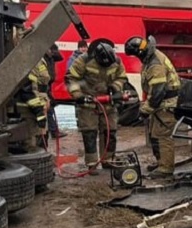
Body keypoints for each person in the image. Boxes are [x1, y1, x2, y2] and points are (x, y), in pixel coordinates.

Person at [65, 39, 127, 169]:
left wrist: (115, 87)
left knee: (110, 132)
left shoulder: (116, 61)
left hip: (108, 104)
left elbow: (121, 77)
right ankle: (92, 163)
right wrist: (78, 95)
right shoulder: (84, 60)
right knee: (90, 133)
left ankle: (108, 160)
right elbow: (71, 78)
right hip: (88, 103)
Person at [125, 35, 181, 178]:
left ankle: (166, 168)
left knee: (162, 136)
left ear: (140, 53)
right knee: (155, 134)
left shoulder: (155, 64)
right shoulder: (151, 57)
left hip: (166, 105)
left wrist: (145, 111)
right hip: (161, 104)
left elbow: (157, 92)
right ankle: (161, 162)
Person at [16, 55, 51, 151]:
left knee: (42, 140)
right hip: (30, 109)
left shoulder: (39, 58)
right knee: (32, 144)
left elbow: (43, 82)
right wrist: (38, 110)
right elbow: (28, 88)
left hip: (40, 106)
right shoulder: (29, 59)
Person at [45, 44, 66, 140]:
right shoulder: (43, 56)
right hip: (44, 84)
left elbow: (60, 57)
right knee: (49, 107)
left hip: (48, 84)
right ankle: (53, 130)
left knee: (50, 107)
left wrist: (52, 50)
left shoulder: (51, 56)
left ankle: (53, 130)